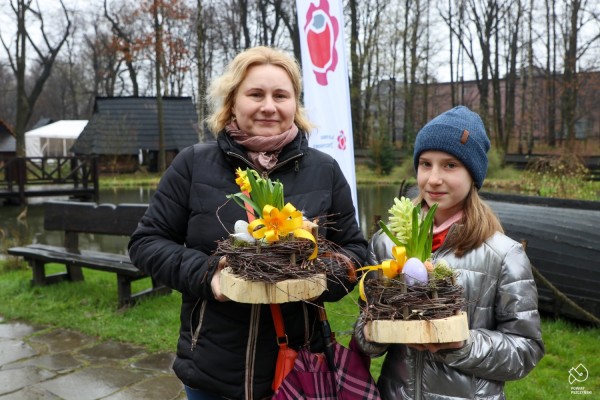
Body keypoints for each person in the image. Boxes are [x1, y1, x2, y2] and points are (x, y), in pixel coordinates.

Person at [128, 46, 367, 400]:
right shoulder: (193, 164)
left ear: (295, 105)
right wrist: (210, 275)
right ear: (233, 101)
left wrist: (317, 279)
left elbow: (356, 251)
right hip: (213, 368)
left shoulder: (325, 169)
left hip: (300, 366)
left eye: (281, 95)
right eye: (255, 94)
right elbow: (146, 243)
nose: (269, 106)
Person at [354, 106, 545, 399]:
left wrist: (461, 344)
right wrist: (372, 334)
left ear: (473, 173)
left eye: (450, 165)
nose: (433, 178)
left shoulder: (504, 254)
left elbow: (526, 349)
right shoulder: (385, 244)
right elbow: (363, 330)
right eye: (426, 164)